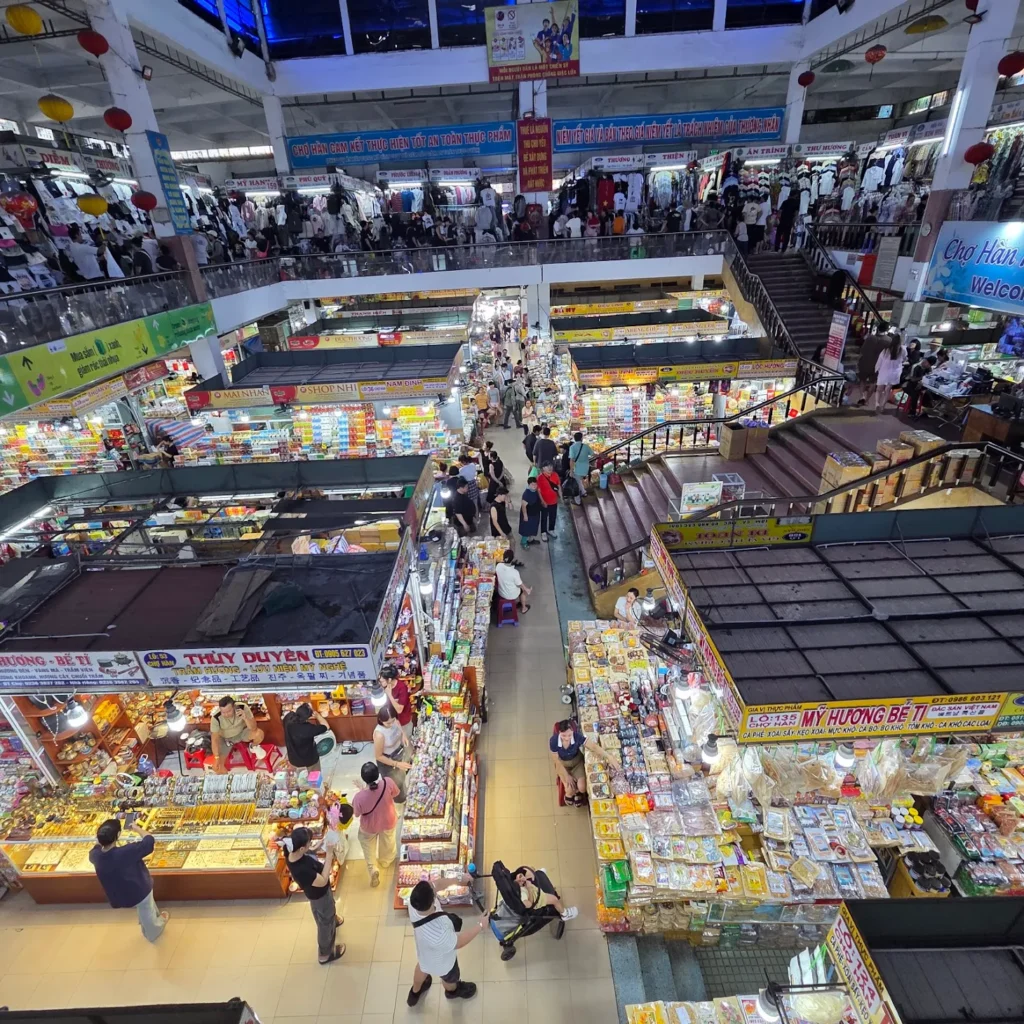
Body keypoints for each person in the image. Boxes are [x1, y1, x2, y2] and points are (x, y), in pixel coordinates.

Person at [406, 876, 487, 1005]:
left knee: (422, 967)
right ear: (433, 900)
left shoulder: (413, 903)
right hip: (443, 963)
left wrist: (460, 879)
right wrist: (481, 925)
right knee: (450, 978)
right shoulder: (440, 931)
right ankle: (452, 992)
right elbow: (458, 942)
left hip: (424, 953)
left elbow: (436, 884)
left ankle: (415, 992)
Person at [90, 817, 168, 941]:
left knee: (146, 908)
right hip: (138, 889)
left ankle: (152, 918)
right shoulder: (126, 852)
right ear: (118, 835)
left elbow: (97, 847)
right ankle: (153, 930)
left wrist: (100, 839)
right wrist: (137, 828)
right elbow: (149, 840)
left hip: (117, 894)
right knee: (146, 909)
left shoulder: (95, 855)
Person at [283, 825, 346, 963]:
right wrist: (329, 854)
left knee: (327, 911)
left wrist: (320, 843)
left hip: (319, 894)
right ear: (301, 848)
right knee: (324, 923)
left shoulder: (290, 851)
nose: (310, 845)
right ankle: (325, 954)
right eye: (309, 843)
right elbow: (323, 881)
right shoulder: (302, 870)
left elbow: (308, 851)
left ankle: (332, 919)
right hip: (319, 895)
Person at [549, 719, 619, 807]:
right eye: (563, 735)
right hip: (562, 764)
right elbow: (556, 761)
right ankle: (570, 794)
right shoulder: (554, 741)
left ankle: (578, 792)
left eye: (569, 735)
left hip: (577, 762)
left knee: (582, 788)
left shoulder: (577, 736)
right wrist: (566, 776)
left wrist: (609, 757)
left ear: (573, 732)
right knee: (569, 789)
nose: (567, 738)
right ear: (559, 732)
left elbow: (593, 746)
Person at [352, 762, 400, 888]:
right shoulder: (388, 782)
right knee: (388, 842)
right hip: (388, 820)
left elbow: (357, 814)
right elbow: (395, 793)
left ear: (363, 778)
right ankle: (386, 862)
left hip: (369, 827)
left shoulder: (359, 797)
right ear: (378, 773)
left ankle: (373, 869)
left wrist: (362, 790)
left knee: (368, 847)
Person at [210, 695, 265, 774]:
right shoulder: (216, 717)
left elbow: (254, 728)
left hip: (242, 732)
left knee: (259, 734)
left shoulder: (242, 707)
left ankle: (253, 746)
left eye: (228, 711)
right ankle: (229, 782)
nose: (226, 714)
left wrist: (245, 718)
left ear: (234, 707)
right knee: (217, 767)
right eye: (223, 712)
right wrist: (216, 757)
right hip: (225, 738)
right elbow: (214, 739)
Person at [373, 704, 412, 803]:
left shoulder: (395, 721)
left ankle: (405, 790)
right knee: (395, 785)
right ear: (381, 720)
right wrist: (397, 764)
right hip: (388, 761)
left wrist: (404, 736)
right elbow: (378, 756)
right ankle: (400, 802)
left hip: (399, 752)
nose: (391, 724)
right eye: (388, 723)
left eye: (392, 721)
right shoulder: (379, 734)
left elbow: (400, 729)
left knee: (402, 776)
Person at [512, 866, 577, 921]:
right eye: (519, 881)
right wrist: (529, 889)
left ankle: (539, 874)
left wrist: (522, 880)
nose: (520, 879)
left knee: (531, 869)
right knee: (554, 899)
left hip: (528, 887)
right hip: (536, 897)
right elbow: (530, 905)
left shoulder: (515, 885)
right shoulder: (522, 894)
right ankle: (565, 914)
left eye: (519, 878)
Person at [283, 702, 330, 772]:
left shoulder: (287, 718)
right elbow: (326, 726)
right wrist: (317, 715)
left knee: (299, 778)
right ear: (308, 717)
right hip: (309, 760)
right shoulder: (308, 729)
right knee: (314, 778)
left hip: (293, 758)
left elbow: (293, 713)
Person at [854, 329, 892, 406]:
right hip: (878, 365)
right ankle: (867, 400)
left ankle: (862, 397)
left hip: (865, 362)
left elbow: (862, 350)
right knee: (873, 382)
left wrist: (858, 361)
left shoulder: (870, 338)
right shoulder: (889, 340)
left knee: (862, 380)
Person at [873, 332, 907, 412]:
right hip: (894, 373)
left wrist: (876, 369)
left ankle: (877, 403)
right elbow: (904, 359)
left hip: (884, 371)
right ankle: (883, 406)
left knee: (879, 389)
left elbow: (879, 361)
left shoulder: (886, 350)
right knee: (887, 390)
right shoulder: (903, 350)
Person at [382, 664, 413, 743]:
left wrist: (389, 695)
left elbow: (399, 710)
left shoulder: (402, 687)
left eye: (382, 681)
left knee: (406, 743)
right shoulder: (386, 687)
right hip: (393, 721)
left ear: (389, 679)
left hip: (403, 722)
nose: (380, 683)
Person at [495, 547, 532, 613]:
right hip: (511, 595)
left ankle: (521, 603)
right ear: (512, 560)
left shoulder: (498, 566)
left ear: (503, 558)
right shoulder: (514, 572)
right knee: (523, 591)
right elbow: (520, 585)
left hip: (501, 592)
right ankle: (524, 608)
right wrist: (527, 590)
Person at [536, 461, 561, 541]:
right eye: (547, 466)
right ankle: (543, 532)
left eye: (551, 466)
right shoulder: (540, 477)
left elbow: (558, 486)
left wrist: (561, 497)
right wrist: (542, 501)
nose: (550, 468)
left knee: (553, 516)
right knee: (544, 517)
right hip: (545, 502)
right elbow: (538, 490)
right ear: (543, 468)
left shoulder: (555, 475)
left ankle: (551, 529)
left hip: (554, 501)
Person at [568, 431, 594, 505]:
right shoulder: (586, 446)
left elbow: (572, 460)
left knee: (576, 484)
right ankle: (584, 492)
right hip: (585, 468)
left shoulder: (572, 447)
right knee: (579, 482)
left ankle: (578, 501)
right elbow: (593, 454)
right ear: (581, 438)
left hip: (577, 469)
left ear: (574, 439)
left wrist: (571, 470)